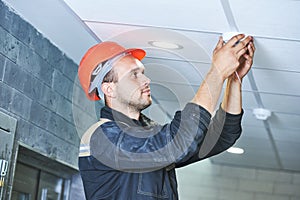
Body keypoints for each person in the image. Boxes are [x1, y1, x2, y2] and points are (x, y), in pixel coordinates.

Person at [77, 34, 255, 200]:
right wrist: (217, 72)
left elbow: (221, 136)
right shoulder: (101, 138)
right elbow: (177, 143)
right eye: (134, 75)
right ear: (109, 89)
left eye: (142, 72)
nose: (146, 80)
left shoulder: (149, 136)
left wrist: (234, 80)